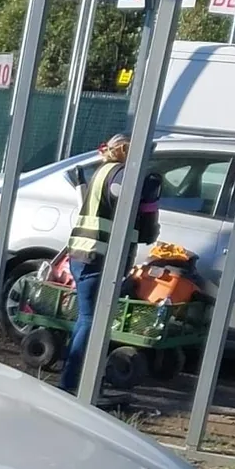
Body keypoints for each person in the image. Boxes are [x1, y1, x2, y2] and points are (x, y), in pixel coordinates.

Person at [59, 134, 160, 393]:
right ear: (127, 150)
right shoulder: (120, 175)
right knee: (92, 320)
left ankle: (72, 380)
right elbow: (131, 207)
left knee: (86, 318)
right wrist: (149, 199)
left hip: (85, 255)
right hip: (99, 257)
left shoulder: (104, 170)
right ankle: (72, 384)